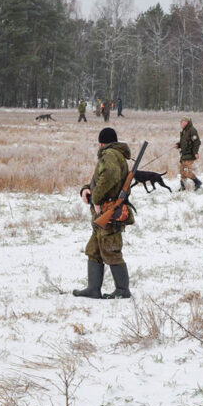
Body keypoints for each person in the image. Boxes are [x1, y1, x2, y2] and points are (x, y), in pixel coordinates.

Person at [73, 128, 133, 299]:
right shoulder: (114, 154)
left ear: (101, 142)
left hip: (108, 211)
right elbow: (99, 180)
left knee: (111, 249)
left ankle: (122, 290)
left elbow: (109, 177)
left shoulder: (109, 155)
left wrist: (96, 199)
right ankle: (93, 288)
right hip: (102, 213)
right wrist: (86, 189)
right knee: (94, 249)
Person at [174, 116, 202, 190]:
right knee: (182, 171)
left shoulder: (192, 130)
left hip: (190, 155)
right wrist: (178, 145)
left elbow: (197, 142)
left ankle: (197, 182)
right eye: (180, 122)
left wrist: (196, 152)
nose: (180, 124)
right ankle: (183, 186)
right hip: (184, 155)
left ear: (186, 122)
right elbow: (184, 142)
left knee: (186, 171)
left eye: (182, 122)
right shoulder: (184, 131)